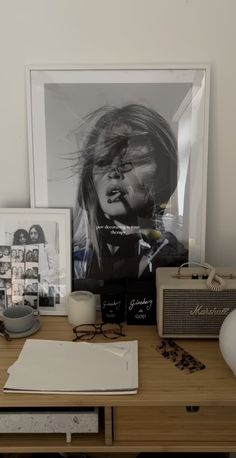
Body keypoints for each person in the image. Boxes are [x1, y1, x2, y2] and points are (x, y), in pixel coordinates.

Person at [73, 104, 188, 281]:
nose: (115, 172)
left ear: (163, 173)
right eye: (103, 162)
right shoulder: (74, 263)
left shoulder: (175, 262)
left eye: (133, 161)